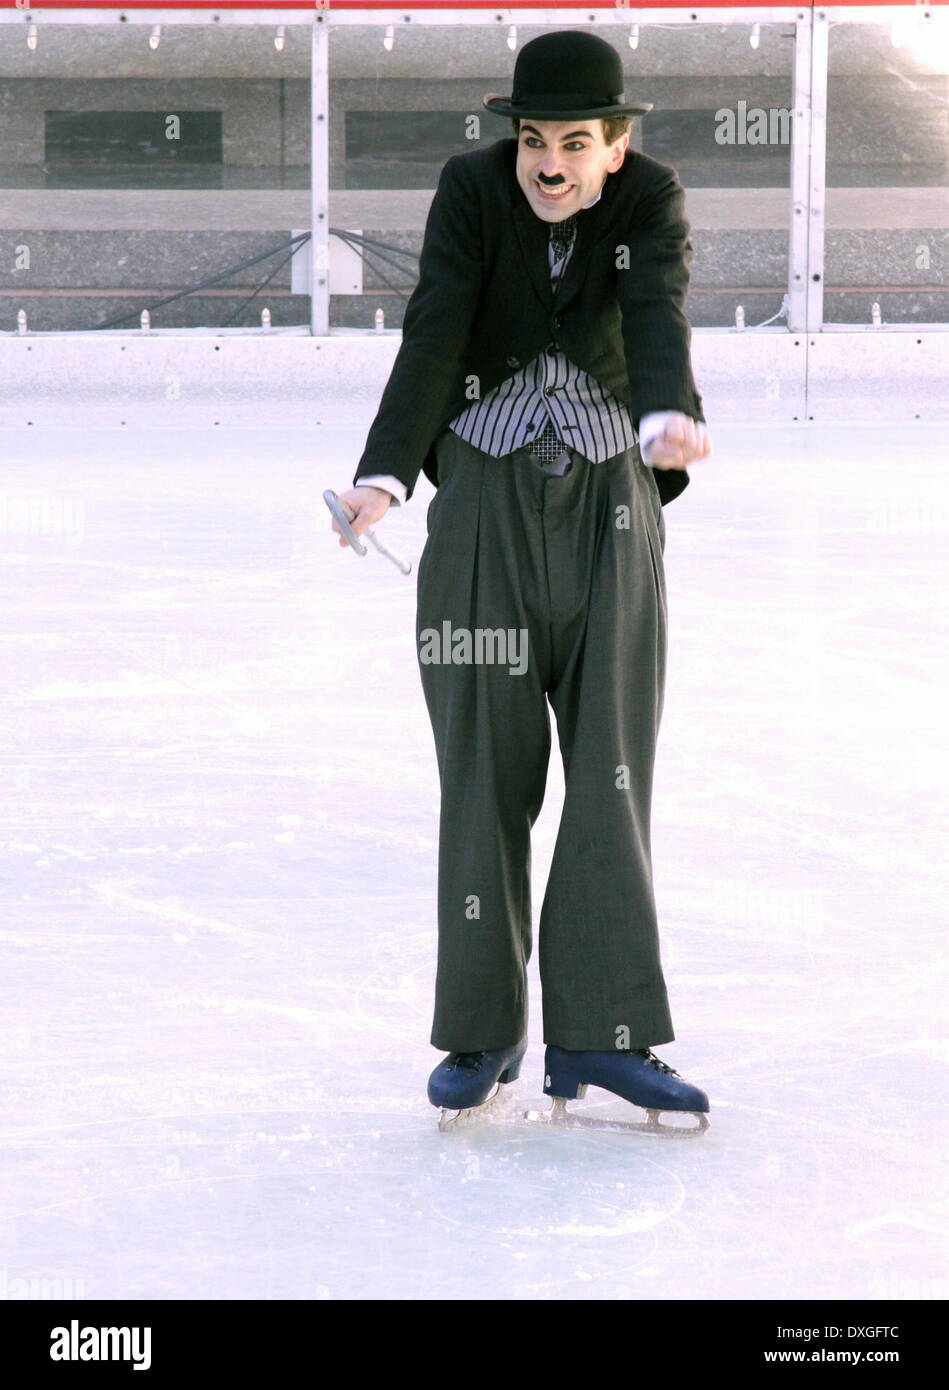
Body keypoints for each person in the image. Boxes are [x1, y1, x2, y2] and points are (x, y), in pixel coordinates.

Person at [331, 31, 713, 1134]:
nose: (548, 164)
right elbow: (437, 322)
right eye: (532, 140)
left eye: (573, 143)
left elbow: (654, 309)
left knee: (612, 771)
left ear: (615, 144)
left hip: (610, 509)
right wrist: (383, 476)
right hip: (485, 515)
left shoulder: (649, 201)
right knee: (483, 774)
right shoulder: (470, 192)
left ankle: (600, 1031)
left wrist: (662, 416)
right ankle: (482, 1026)